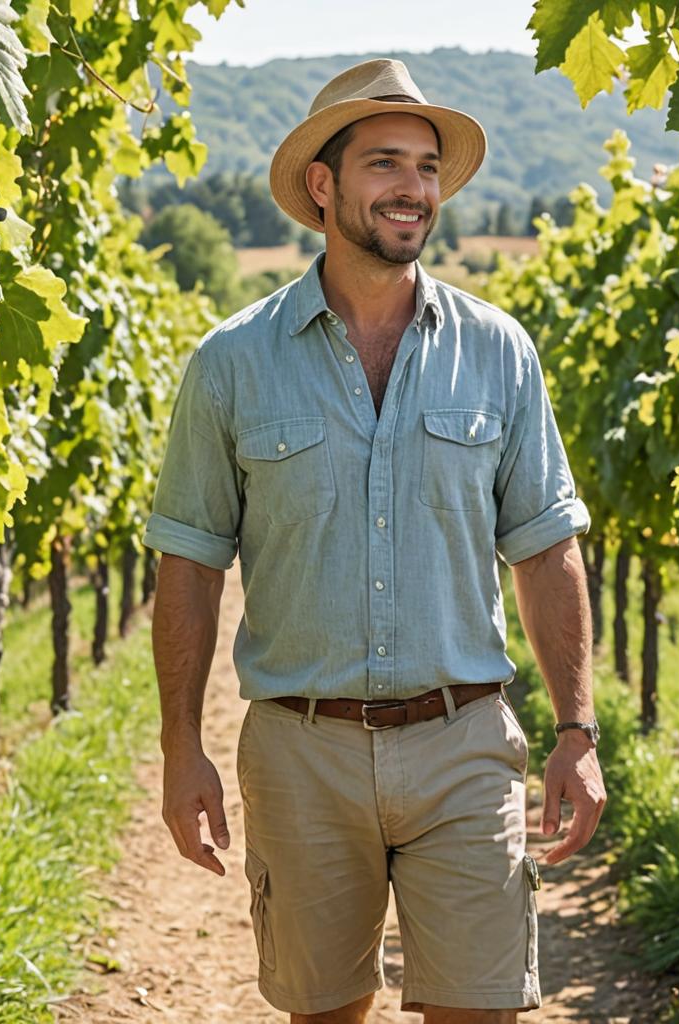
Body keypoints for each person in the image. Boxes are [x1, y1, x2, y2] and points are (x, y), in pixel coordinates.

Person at [143, 57, 606, 1024]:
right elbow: (188, 563)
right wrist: (179, 745)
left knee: (482, 1011)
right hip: (300, 752)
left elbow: (546, 545)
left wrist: (577, 729)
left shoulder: (499, 351)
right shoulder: (231, 363)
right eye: (385, 163)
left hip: (465, 743)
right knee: (323, 1015)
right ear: (323, 185)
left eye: (428, 167)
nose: (414, 188)